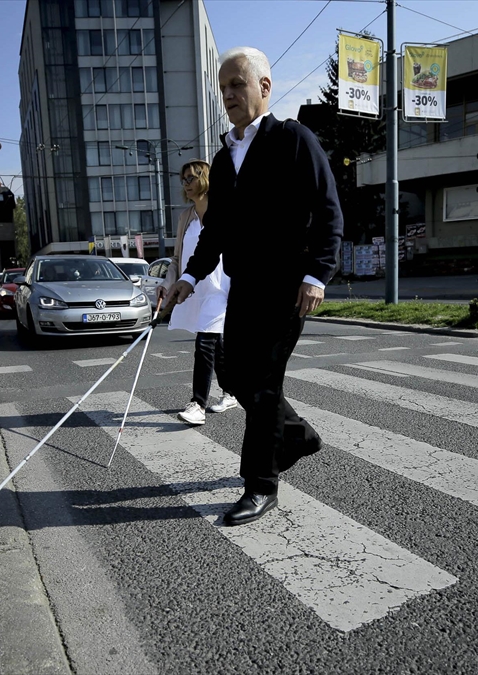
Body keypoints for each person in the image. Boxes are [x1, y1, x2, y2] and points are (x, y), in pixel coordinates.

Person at [168, 46, 343, 527]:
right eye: (223, 87)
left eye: (237, 84)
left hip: (287, 288)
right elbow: (216, 232)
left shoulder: (293, 139)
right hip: (242, 287)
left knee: (263, 385)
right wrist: (188, 278)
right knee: (236, 377)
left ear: (264, 87)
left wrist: (317, 274)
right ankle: (296, 435)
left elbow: (328, 210)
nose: (228, 95)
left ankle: (261, 484)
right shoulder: (223, 160)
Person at [157, 159, 237, 426]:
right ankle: (230, 392)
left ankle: (198, 405)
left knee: (205, 341)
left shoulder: (224, 209)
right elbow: (177, 258)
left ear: (205, 178)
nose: (186, 184)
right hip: (195, 290)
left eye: (191, 178)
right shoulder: (185, 217)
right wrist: (167, 283)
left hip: (220, 287)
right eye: (183, 179)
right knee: (216, 343)